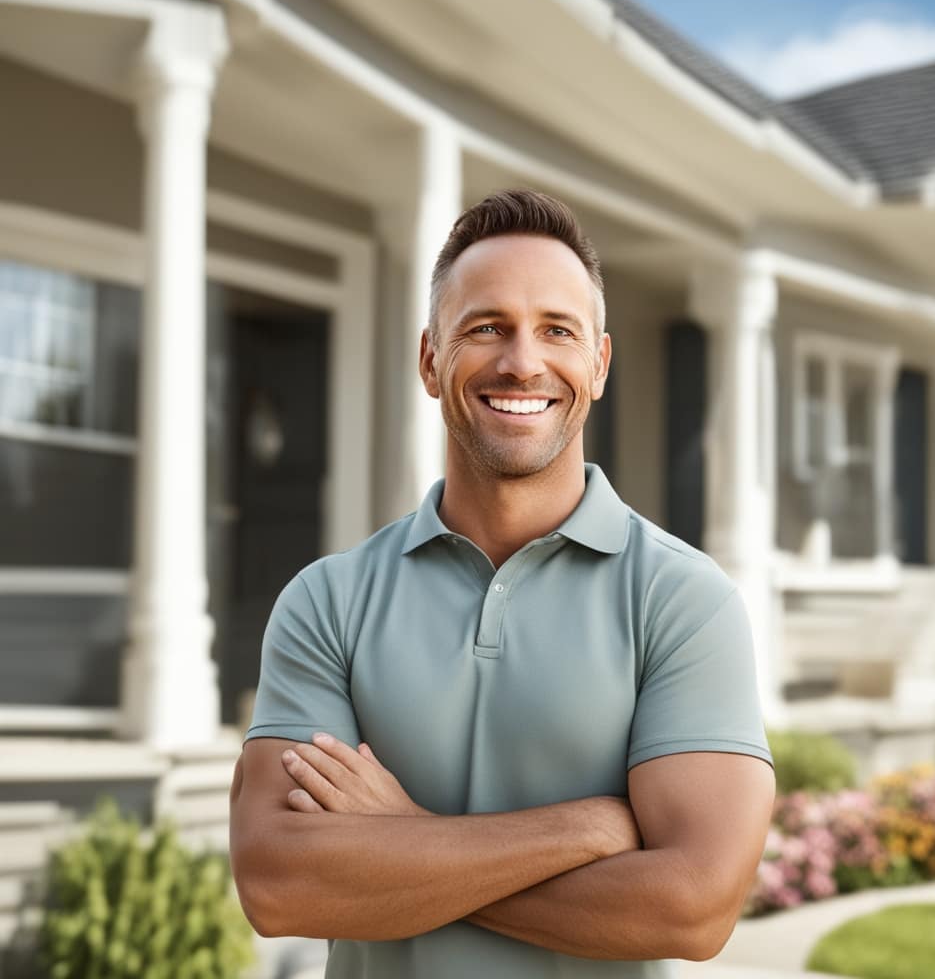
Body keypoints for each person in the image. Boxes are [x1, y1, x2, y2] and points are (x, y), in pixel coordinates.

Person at [229, 189, 775, 978]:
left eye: (557, 330)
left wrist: (403, 836)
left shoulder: (682, 601)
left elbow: (695, 906)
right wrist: (582, 830)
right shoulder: (328, 602)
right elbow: (280, 885)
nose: (523, 361)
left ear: (599, 363)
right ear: (429, 359)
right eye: (486, 328)